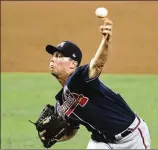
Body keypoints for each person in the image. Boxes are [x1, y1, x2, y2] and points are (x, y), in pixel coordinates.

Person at [44, 19, 151, 149]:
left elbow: (98, 63)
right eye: (53, 55)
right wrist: (55, 136)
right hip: (101, 141)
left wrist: (106, 40)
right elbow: (71, 129)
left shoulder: (80, 77)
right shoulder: (61, 103)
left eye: (59, 56)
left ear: (73, 64)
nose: (53, 58)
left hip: (132, 138)